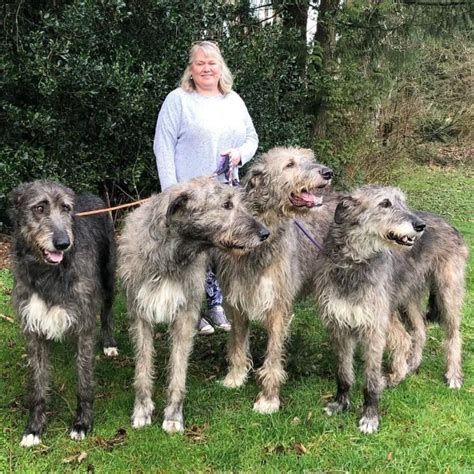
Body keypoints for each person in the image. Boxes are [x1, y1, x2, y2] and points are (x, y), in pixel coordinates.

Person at [153, 40, 259, 334]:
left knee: (222, 250)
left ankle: (217, 304)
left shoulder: (233, 100)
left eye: (211, 63)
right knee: (189, 252)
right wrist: (171, 194)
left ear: (220, 67)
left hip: (226, 194)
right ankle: (191, 308)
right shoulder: (178, 100)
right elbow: (163, 146)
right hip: (190, 198)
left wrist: (240, 153)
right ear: (191, 69)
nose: (206, 68)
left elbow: (252, 138)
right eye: (199, 63)